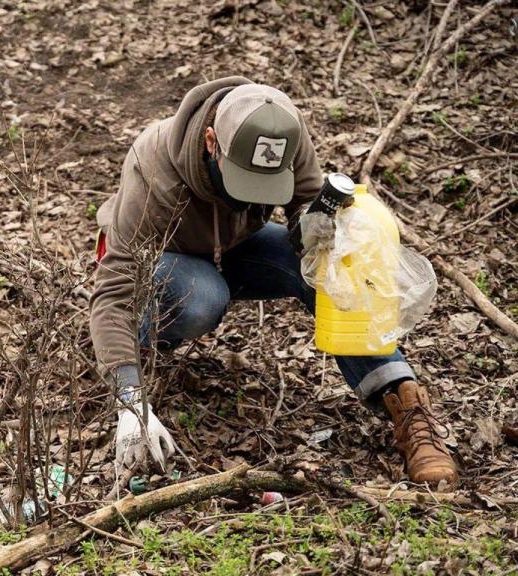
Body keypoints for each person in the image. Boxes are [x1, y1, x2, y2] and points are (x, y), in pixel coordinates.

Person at [90, 76, 456, 485]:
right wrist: (131, 404)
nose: (253, 196)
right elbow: (114, 289)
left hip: (237, 246)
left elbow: (305, 201)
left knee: (333, 270)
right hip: (166, 260)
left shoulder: (285, 133)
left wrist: (316, 232)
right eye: (245, 178)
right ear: (212, 142)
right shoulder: (154, 164)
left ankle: (404, 402)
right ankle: (141, 346)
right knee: (203, 298)